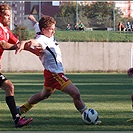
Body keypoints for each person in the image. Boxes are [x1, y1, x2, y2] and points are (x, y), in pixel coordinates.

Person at [15, 15, 102, 125]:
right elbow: (34, 42)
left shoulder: (42, 31)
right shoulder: (42, 39)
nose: (53, 31)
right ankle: (87, 116)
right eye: (51, 29)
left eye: (54, 28)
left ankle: (21, 110)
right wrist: (24, 42)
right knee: (76, 93)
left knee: (43, 95)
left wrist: (32, 19)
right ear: (43, 30)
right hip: (54, 74)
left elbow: (37, 24)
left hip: (50, 72)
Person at [0, 3, 33, 128]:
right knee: (9, 87)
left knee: (9, 87)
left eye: (10, 15)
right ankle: (17, 119)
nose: (9, 18)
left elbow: (19, 43)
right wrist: (16, 46)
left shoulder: (6, 31)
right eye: (6, 15)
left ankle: (17, 120)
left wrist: (36, 49)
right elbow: (3, 44)